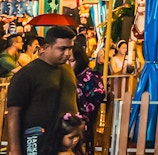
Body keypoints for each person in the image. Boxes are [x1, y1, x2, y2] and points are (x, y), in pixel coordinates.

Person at [7, 25, 78, 155]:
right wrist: (15, 150)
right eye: (62, 48)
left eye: (70, 48)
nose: (67, 53)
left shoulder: (68, 71)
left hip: (62, 144)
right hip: (35, 140)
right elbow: (13, 113)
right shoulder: (26, 74)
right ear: (45, 48)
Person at [68, 44, 105, 155]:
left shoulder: (91, 76)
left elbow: (98, 96)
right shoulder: (69, 75)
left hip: (84, 121)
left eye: (71, 61)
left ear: (79, 60)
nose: (68, 64)